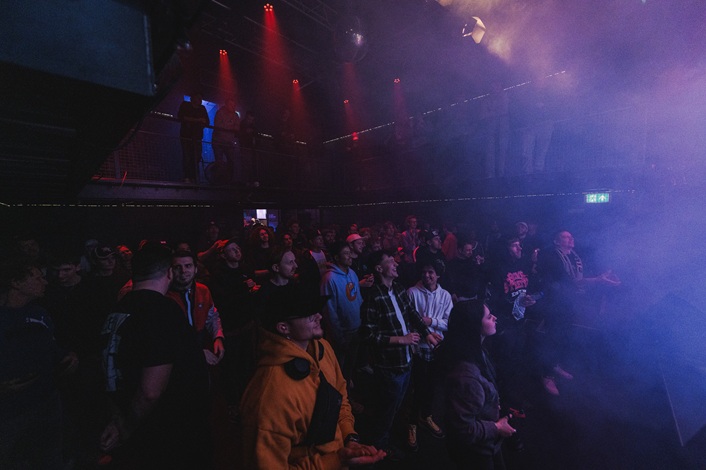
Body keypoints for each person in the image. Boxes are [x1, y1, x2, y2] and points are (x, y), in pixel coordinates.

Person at [239, 285, 385, 469]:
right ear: (284, 327)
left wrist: (350, 438)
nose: (319, 316)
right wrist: (335, 460)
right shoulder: (269, 397)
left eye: (316, 310)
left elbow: (340, 395)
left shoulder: (322, 348)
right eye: (308, 314)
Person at [100, 243, 211, 469]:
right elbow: (151, 391)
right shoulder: (161, 311)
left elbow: (110, 370)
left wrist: (118, 420)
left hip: (134, 419)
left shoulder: (117, 309)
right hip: (167, 431)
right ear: (169, 273)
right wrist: (127, 428)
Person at [359, 250, 441, 457]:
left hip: (406, 360)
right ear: (379, 269)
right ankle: (379, 447)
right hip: (389, 366)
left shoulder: (398, 288)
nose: (395, 263)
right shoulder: (373, 297)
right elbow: (367, 335)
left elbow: (412, 314)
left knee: (397, 405)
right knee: (386, 409)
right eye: (390, 261)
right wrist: (401, 340)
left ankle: (388, 435)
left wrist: (427, 334)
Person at [0, 256, 78, 469]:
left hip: (46, 401)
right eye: (37, 277)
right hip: (9, 411)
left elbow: (50, 349)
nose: (45, 281)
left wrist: (69, 356)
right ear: (16, 282)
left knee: (50, 458)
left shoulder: (40, 313)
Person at [536, 230, 620, 395]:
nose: (570, 239)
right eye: (565, 237)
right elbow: (567, 281)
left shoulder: (575, 257)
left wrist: (601, 277)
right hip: (555, 303)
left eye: (571, 236)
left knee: (564, 336)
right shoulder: (552, 256)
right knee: (553, 338)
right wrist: (597, 280)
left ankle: (555, 365)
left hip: (569, 302)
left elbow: (580, 277)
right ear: (556, 241)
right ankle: (546, 376)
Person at [443, 300, 516, 470]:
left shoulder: (476, 351)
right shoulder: (467, 376)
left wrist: (492, 405)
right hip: (476, 450)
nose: (495, 318)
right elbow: (463, 429)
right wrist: (497, 427)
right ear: (474, 326)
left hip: (486, 444)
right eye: (489, 317)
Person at [405, 259, 453, 451]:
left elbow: (449, 322)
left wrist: (430, 321)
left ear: (438, 274)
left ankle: (426, 416)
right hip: (418, 349)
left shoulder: (445, 295)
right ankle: (412, 423)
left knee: (432, 386)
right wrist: (425, 328)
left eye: (431, 272)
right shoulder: (412, 292)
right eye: (424, 272)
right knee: (418, 387)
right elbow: (408, 320)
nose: (427, 275)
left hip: (437, 348)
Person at [167, 250, 225, 366]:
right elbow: (167, 336)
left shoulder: (203, 290)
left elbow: (212, 317)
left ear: (196, 269)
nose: (183, 271)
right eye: (178, 267)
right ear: (170, 270)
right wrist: (196, 352)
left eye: (188, 266)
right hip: (175, 356)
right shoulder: (165, 295)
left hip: (200, 345)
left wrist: (217, 337)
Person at [320, 241, 363, 381]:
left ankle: (348, 387)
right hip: (343, 332)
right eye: (346, 253)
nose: (350, 256)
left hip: (356, 328)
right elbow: (329, 310)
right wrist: (338, 335)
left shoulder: (352, 273)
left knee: (350, 364)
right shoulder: (329, 279)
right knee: (339, 366)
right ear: (337, 257)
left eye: (350, 252)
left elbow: (358, 298)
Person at [177, 93, 210, 183]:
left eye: (200, 98)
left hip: (197, 136)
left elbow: (207, 122)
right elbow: (181, 117)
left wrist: (199, 122)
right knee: (187, 156)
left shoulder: (202, 108)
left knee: (197, 156)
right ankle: (187, 176)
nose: (200, 100)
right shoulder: (185, 105)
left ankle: (194, 176)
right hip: (186, 135)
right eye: (198, 97)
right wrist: (198, 120)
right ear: (192, 98)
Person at [212, 99, 240, 183]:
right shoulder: (220, 113)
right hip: (218, 141)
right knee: (219, 161)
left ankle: (230, 180)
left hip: (229, 142)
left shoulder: (235, 115)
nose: (233, 107)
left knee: (231, 161)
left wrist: (227, 127)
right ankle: (218, 181)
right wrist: (230, 127)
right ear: (226, 105)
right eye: (231, 105)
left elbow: (237, 128)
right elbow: (218, 126)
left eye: (234, 105)